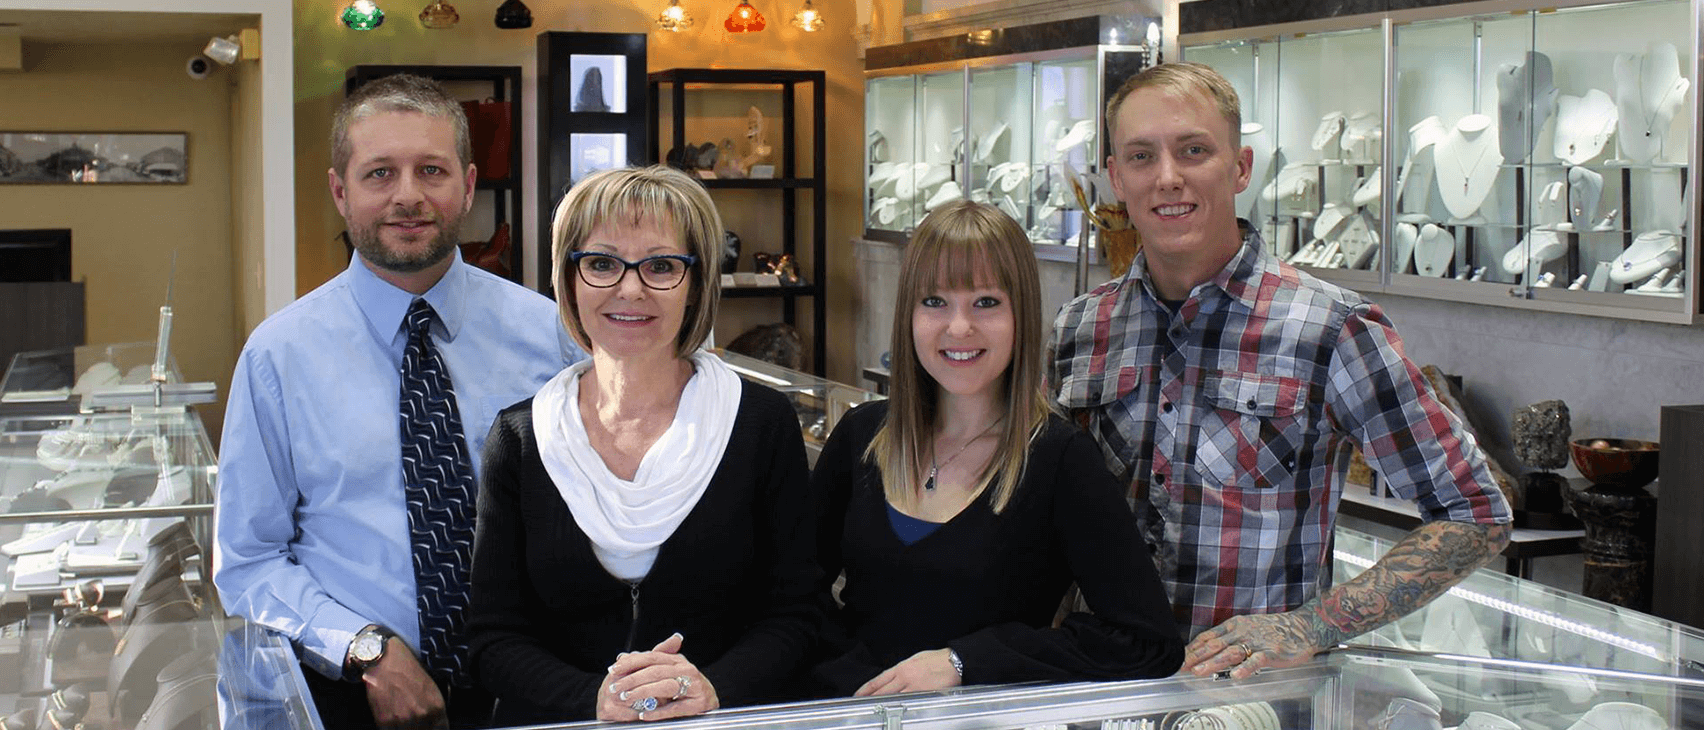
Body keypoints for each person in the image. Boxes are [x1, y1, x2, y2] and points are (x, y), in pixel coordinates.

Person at [1048, 61, 1513, 680]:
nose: (1167, 178)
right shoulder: (1081, 329)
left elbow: (1475, 512)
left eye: (1193, 151)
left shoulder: (1331, 329)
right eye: (1140, 156)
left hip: (1251, 702)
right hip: (1096, 690)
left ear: (1240, 167)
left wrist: (1310, 626)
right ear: (1115, 177)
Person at [213, 74, 585, 729]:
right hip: (352, 694)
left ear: (467, 186)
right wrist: (365, 649)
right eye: (379, 173)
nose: (408, 196)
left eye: (431, 171)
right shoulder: (279, 357)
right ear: (339, 191)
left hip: (537, 690)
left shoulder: (554, 335)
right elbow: (249, 562)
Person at [465, 165, 822, 724]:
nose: (630, 288)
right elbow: (493, 637)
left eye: (660, 266)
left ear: (697, 282)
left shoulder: (760, 425)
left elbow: (799, 615)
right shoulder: (519, 436)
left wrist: (712, 686)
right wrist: (597, 700)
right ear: (569, 279)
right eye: (602, 263)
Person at [810, 201, 1184, 698]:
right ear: (909, 315)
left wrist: (965, 662)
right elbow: (793, 600)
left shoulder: (1058, 461)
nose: (959, 327)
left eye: (986, 302)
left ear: (1021, 314)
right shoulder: (861, 437)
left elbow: (1146, 641)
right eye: (935, 301)